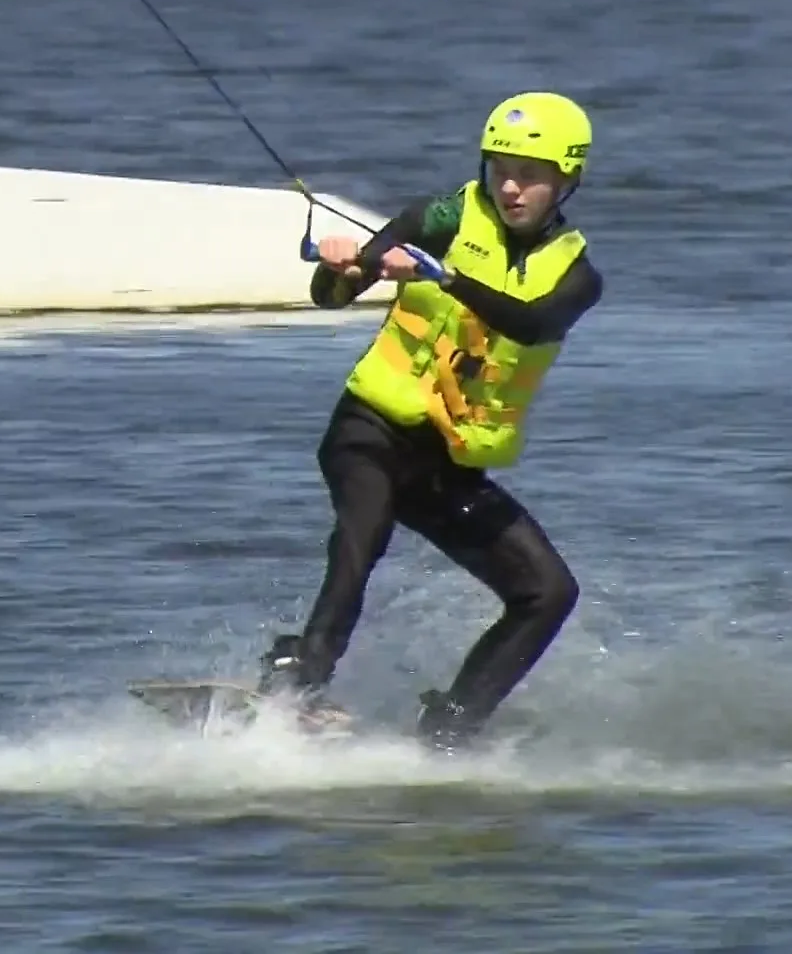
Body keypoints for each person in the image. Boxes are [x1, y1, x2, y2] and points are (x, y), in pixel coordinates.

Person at [258, 91, 606, 750]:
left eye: (530, 175)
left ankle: (451, 727)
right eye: (500, 169)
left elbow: (532, 323)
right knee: (364, 533)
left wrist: (442, 277)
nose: (510, 187)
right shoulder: (440, 218)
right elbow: (334, 294)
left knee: (548, 592)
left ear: (567, 180)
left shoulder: (577, 277)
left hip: (445, 466)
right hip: (370, 432)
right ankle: (297, 679)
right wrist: (342, 268)